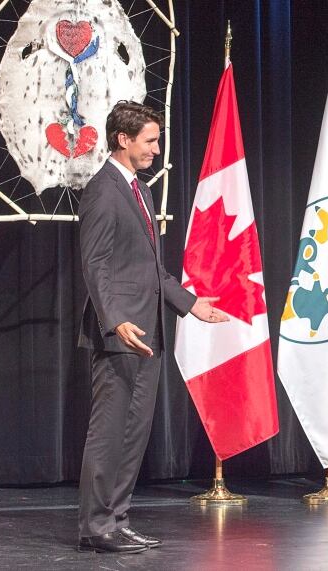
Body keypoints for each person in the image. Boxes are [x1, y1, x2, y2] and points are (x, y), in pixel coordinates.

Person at [76, 101, 228, 554]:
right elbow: (96, 263)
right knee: (109, 433)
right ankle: (95, 526)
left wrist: (191, 304)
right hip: (121, 333)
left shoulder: (137, 188)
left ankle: (117, 520)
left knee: (133, 434)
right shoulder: (104, 190)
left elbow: (151, 269)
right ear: (123, 140)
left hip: (147, 331)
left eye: (157, 140)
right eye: (150, 140)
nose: (157, 149)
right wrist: (114, 318)